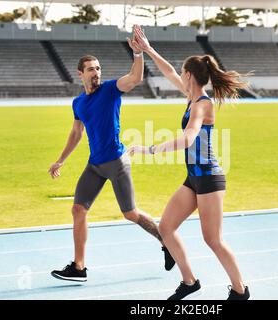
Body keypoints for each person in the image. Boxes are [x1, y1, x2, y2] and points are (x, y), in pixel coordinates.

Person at [128, 26, 250, 300]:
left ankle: (241, 291)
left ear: (190, 75)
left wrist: (148, 149)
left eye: (183, 72)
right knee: (166, 228)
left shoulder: (202, 105)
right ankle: (189, 281)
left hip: (208, 177)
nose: (179, 75)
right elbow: (169, 71)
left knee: (213, 240)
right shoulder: (191, 96)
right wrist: (147, 50)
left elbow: (187, 139)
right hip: (194, 178)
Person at [48, 25, 175, 282]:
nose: (96, 72)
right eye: (91, 69)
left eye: (98, 68)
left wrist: (138, 54)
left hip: (117, 163)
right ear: (80, 73)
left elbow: (134, 78)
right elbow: (76, 133)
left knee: (130, 213)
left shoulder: (110, 89)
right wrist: (60, 160)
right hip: (95, 165)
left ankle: (167, 241)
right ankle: (79, 267)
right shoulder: (78, 103)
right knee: (78, 210)